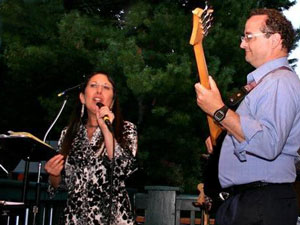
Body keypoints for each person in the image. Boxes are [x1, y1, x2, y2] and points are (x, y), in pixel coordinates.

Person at [194, 8, 300, 225]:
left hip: (260, 206)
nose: (242, 44)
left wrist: (219, 111)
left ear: (275, 40)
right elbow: (254, 133)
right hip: (249, 203)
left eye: (249, 37)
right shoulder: (265, 84)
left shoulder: (280, 82)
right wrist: (224, 142)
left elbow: (269, 143)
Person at [45, 72, 138, 225]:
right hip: (74, 219)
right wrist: (54, 175)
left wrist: (106, 128)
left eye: (106, 87)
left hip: (113, 219)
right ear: (82, 97)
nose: (99, 91)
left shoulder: (125, 129)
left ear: (112, 101)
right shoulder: (68, 134)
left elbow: (123, 169)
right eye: (93, 86)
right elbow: (62, 187)